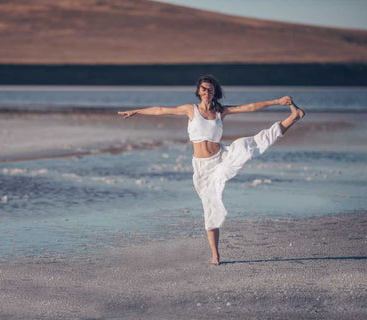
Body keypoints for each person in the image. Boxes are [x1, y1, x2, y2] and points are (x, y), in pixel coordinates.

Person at [118, 75, 305, 265]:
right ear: (198, 92)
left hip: (221, 158)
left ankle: (293, 117)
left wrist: (276, 102)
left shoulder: (220, 111)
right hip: (202, 168)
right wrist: (137, 111)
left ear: (215, 92)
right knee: (211, 207)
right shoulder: (190, 110)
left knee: (247, 145)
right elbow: (160, 110)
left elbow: (249, 107)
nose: (207, 92)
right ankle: (216, 254)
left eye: (210, 89)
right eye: (204, 89)